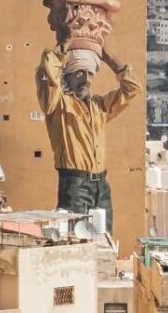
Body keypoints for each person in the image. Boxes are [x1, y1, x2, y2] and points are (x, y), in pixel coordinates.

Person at [35, 44, 142, 233]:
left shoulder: (99, 107)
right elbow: (47, 76)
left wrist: (108, 57)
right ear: (66, 77)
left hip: (101, 184)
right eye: (79, 73)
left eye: (90, 74)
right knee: (76, 236)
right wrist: (62, 46)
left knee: (103, 237)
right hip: (75, 184)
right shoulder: (58, 106)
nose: (86, 79)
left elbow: (132, 89)